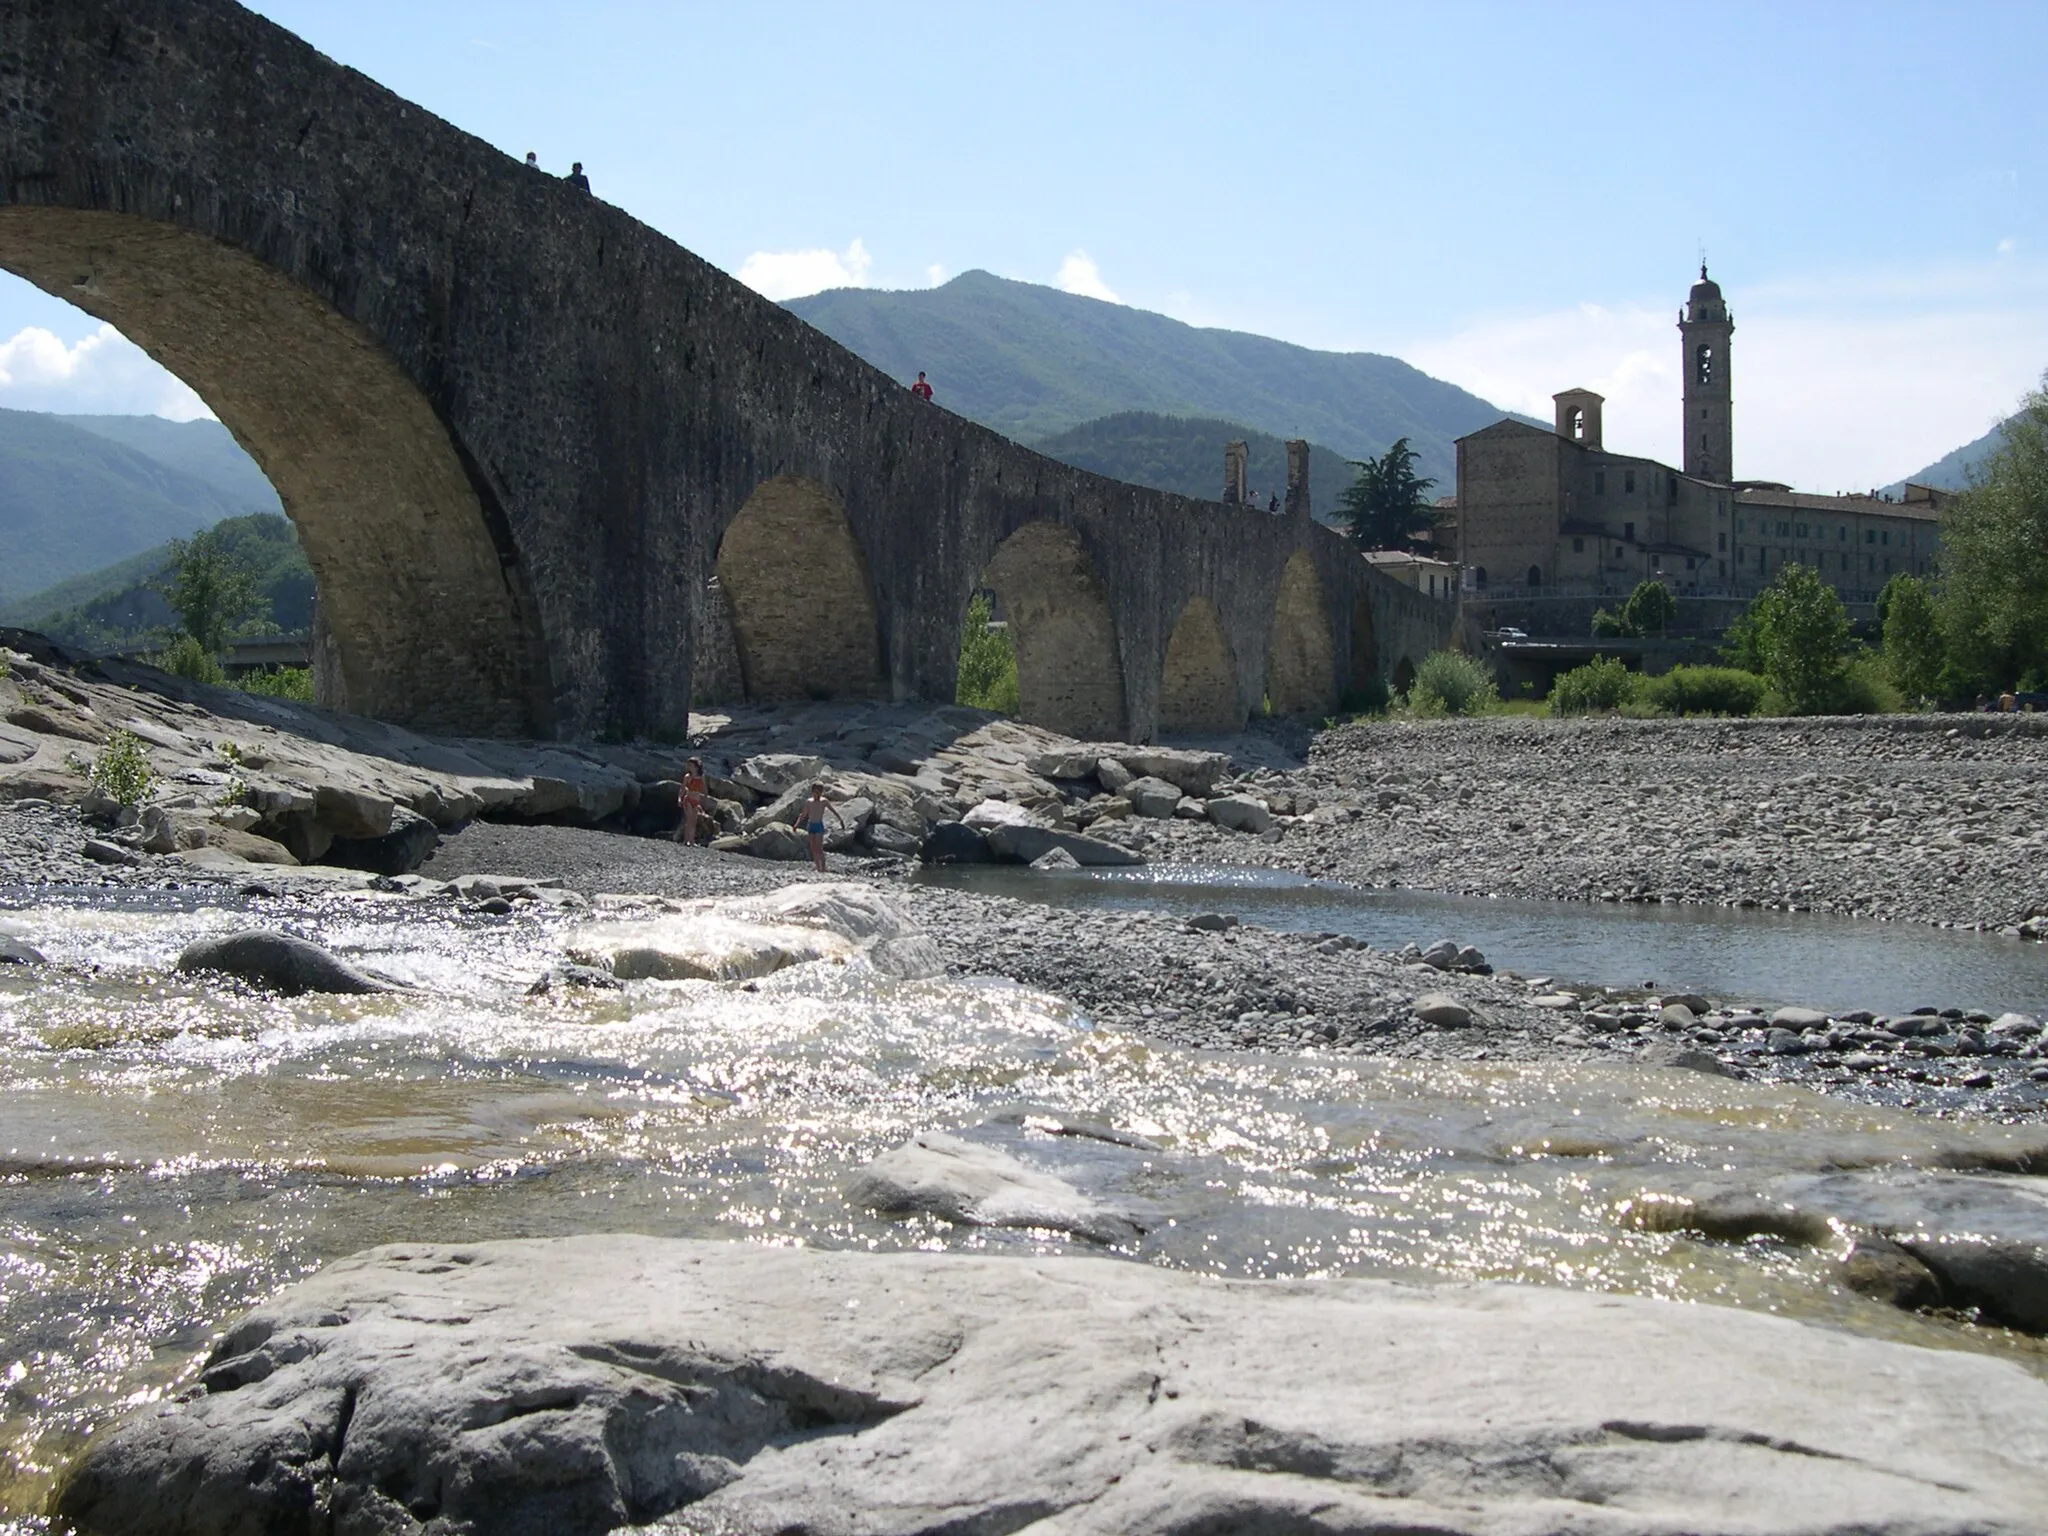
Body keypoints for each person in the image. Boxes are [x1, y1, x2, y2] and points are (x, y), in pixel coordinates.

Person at [794, 781, 845, 873]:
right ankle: (818, 867)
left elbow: (833, 810)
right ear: (812, 792)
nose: (817, 794)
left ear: (821, 793)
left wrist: (840, 819)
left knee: (819, 847)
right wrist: (796, 825)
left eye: (819, 792)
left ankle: (824, 867)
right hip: (811, 825)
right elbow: (803, 814)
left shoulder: (824, 801)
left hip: (818, 825)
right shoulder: (809, 802)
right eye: (815, 792)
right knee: (813, 848)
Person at [676, 757, 708, 846]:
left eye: (691, 765)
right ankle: (686, 840)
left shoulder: (701, 776)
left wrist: (705, 798)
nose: (689, 767)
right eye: (688, 765)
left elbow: (704, 788)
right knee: (688, 820)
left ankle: (692, 840)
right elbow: (682, 788)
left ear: (696, 767)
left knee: (694, 821)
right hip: (688, 799)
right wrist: (679, 798)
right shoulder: (688, 777)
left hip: (696, 800)